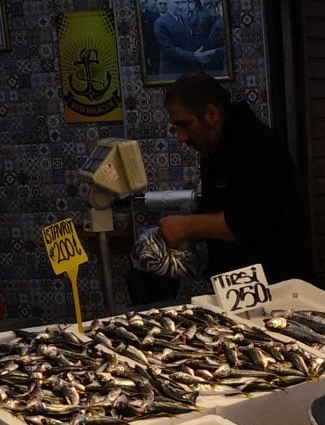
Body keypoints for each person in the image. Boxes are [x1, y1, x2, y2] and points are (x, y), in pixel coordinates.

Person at [128, 71, 309, 304]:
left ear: (212, 113)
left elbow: (253, 222)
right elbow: (215, 205)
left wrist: (187, 227)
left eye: (185, 125)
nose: (181, 136)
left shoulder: (258, 146)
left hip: (278, 288)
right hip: (238, 288)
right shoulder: (213, 147)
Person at [154, 0, 224, 77]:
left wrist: (202, 51)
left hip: (188, 70)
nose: (180, 6)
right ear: (168, 3)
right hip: (172, 71)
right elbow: (168, 50)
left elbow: (191, 41)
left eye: (182, 2)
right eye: (177, 3)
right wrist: (194, 56)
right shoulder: (160, 23)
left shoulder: (185, 19)